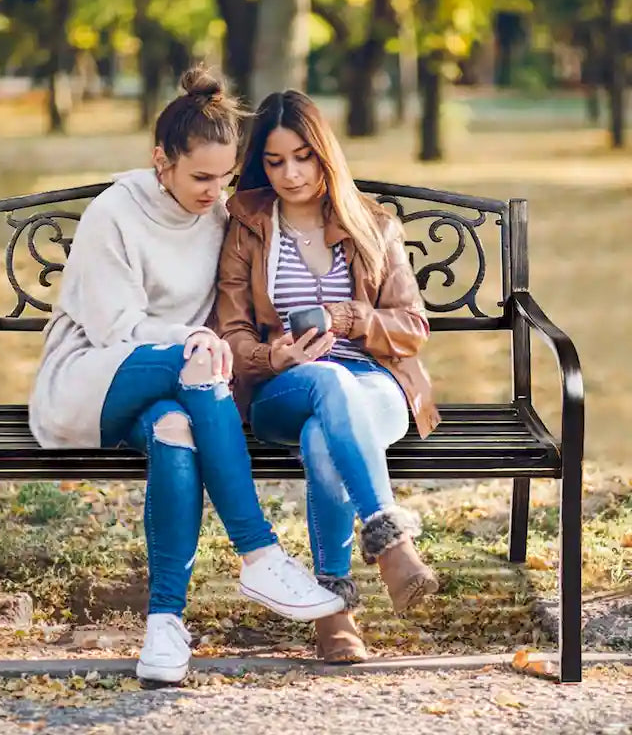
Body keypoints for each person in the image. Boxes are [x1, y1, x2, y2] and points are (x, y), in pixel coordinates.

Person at [29, 70, 343, 685]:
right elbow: (116, 330)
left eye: (225, 177)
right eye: (200, 177)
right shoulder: (113, 213)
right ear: (160, 161)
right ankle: (257, 552)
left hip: (185, 386)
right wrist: (193, 343)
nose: (214, 192)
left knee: (177, 432)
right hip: (88, 378)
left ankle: (164, 626)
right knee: (195, 364)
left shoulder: (220, 217)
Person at [214, 89, 440, 664]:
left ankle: (333, 611)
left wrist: (353, 319)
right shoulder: (247, 227)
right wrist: (276, 357)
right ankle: (390, 542)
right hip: (285, 388)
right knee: (325, 388)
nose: (289, 174)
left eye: (302, 157)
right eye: (273, 161)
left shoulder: (373, 225)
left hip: (377, 385)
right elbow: (232, 332)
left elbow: (412, 326)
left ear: (324, 155)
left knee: (326, 432)